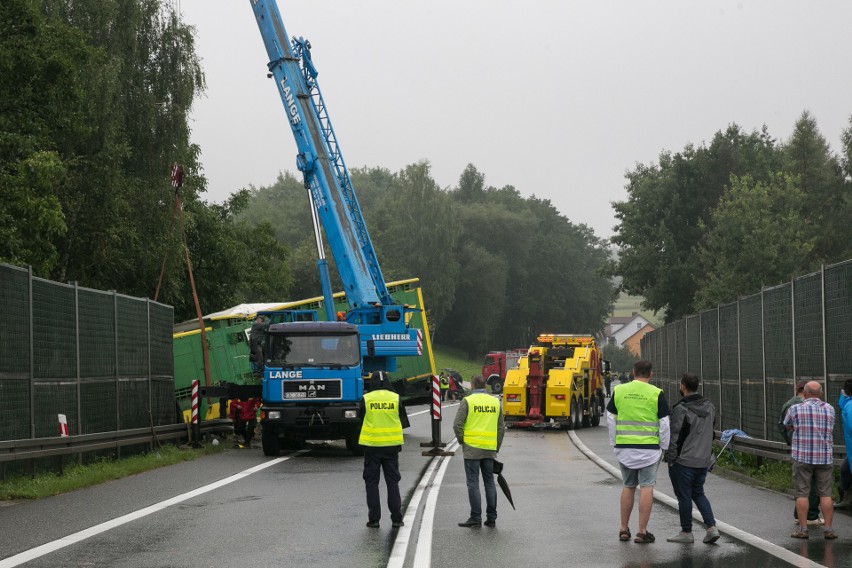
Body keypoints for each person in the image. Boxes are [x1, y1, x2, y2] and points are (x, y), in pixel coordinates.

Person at [606, 359, 670, 544]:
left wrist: (614, 442)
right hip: (649, 449)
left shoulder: (619, 390)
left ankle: (623, 529)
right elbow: (664, 423)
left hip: (624, 447)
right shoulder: (656, 393)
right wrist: (664, 446)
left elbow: (610, 418)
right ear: (651, 374)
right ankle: (642, 531)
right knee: (647, 487)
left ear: (633, 372)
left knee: (628, 485)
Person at [664, 373, 720, 544]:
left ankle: (686, 531)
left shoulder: (681, 408)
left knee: (684, 496)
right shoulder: (710, 406)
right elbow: (711, 431)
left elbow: (675, 436)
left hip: (684, 460)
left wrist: (670, 458)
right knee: (698, 492)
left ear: (682, 386)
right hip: (703, 459)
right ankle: (711, 527)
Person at [784, 381, 837, 540]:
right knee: (825, 494)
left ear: (805, 394)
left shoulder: (795, 409)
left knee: (802, 494)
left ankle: (803, 529)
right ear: (821, 394)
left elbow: (787, 425)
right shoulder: (830, 409)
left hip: (803, 457)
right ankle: (828, 529)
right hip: (824, 457)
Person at [453, 374, 505, 528]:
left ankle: (475, 517)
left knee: (473, 483)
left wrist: (462, 440)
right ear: (486, 386)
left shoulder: (468, 401)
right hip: (489, 449)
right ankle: (491, 518)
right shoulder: (495, 402)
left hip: (472, 449)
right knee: (489, 482)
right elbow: (501, 428)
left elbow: (457, 425)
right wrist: (496, 446)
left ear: (473, 385)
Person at [359, 372, 409, 529]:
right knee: (392, 482)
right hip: (391, 448)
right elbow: (402, 420)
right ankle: (396, 518)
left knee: (372, 483)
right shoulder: (396, 398)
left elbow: (361, 418)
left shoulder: (367, 399)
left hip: (372, 446)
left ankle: (374, 520)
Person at [779, 381, 822, 525]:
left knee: (800, 485)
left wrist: (790, 442)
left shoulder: (788, 404)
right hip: (812, 450)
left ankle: (799, 514)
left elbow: (782, 426)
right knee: (813, 485)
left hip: (797, 450)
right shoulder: (809, 406)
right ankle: (811, 515)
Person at [834, 379, 852, 510]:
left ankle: (846, 499)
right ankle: (847, 499)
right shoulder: (848, 404)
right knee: (845, 470)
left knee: (846, 470)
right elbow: (841, 404)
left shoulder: (850, 406)